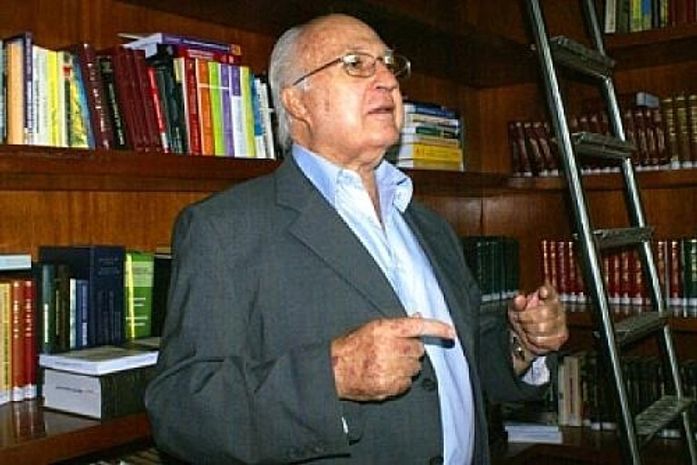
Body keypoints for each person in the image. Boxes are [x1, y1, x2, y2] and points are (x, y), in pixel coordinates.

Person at [145, 13, 568, 465]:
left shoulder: (430, 226)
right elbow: (180, 412)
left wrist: (522, 344)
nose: (388, 79)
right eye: (355, 63)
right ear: (297, 102)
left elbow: (454, 363)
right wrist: (333, 377)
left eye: (389, 64)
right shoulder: (224, 229)